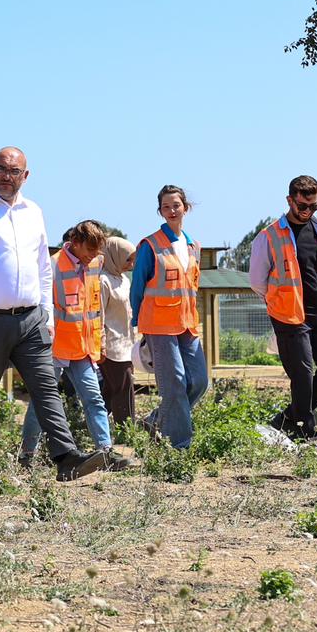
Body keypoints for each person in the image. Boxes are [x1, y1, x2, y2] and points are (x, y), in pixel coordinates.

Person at [0, 147, 106, 486]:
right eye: (1, 169)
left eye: (14, 171)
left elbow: (41, 266)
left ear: (26, 175)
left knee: (46, 387)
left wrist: (47, 315)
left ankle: (66, 458)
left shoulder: (34, 211)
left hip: (31, 319)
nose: (7, 176)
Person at [249, 175, 317, 440]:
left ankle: (287, 419)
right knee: (302, 374)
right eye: (303, 206)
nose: (308, 211)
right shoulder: (269, 236)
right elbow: (257, 281)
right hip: (289, 315)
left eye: (314, 206)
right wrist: (278, 302)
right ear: (289, 200)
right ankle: (305, 432)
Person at [21, 220, 113, 464]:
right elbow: (43, 308)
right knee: (42, 401)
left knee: (94, 399)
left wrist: (100, 339)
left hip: (83, 348)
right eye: (90, 250)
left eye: (97, 251)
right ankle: (27, 455)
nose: (94, 256)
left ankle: (106, 452)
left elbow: (96, 306)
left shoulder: (96, 263)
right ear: (76, 243)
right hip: (54, 348)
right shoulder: (51, 266)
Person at [132, 184, 209, 449]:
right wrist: (136, 324)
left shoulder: (192, 246)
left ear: (185, 208)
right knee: (174, 382)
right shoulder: (150, 245)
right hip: (158, 324)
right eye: (166, 207)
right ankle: (179, 446)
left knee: (199, 381)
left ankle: (156, 419)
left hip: (186, 324)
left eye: (176, 205)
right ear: (160, 211)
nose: (172, 210)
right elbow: (137, 286)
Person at [96, 235, 138, 427]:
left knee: (112, 390)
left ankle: (91, 427)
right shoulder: (103, 281)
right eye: (127, 259)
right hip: (112, 345)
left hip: (127, 342)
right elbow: (100, 314)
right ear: (113, 255)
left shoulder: (123, 280)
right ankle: (127, 432)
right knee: (123, 389)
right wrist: (101, 343)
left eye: (132, 259)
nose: (130, 264)